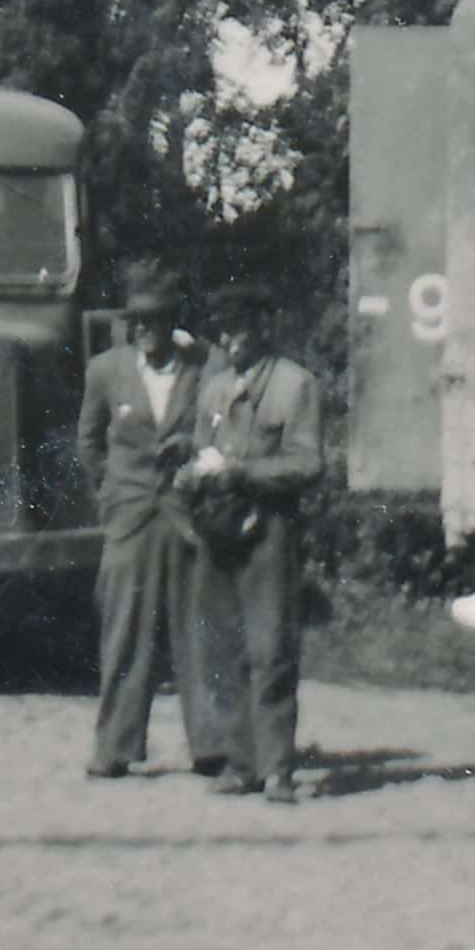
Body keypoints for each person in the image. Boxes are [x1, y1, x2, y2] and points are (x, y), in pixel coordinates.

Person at [186, 283, 330, 804]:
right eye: (222, 332)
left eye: (240, 330)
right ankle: (240, 762)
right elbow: (201, 447)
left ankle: (278, 771)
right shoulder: (214, 388)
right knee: (221, 649)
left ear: (262, 330)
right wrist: (194, 473)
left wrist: (240, 472)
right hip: (218, 534)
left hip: (270, 533)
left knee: (271, 651)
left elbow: (308, 464)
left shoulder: (295, 386)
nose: (231, 341)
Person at [79, 263, 224, 779]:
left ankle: (211, 745)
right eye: (136, 319)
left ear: (172, 321)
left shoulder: (203, 366)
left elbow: (220, 431)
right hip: (129, 517)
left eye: (155, 319)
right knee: (123, 631)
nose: (144, 329)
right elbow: (89, 443)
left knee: (198, 628)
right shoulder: (105, 371)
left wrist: (193, 453)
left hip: (185, 514)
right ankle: (114, 748)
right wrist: (113, 496)